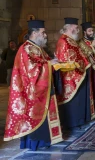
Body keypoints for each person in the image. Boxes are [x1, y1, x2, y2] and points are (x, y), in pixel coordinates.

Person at [4, 20, 63, 150]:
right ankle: (36, 143)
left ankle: (46, 140)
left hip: (44, 89)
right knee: (35, 117)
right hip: (31, 92)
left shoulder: (37, 48)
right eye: (43, 32)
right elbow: (31, 71)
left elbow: (44, 62)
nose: (45, 35)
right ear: (35, 33)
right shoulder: (26, 48)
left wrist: (53, 63)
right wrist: (49, 64)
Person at [55, 17, 95, 129]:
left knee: (79, 100)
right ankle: (73, 122)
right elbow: (66, 59)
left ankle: (80, 119)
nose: (78, 30)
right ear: (70, 28)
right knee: (74, 100)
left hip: (80, 73)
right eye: (76, 28)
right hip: (70, 77)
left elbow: (81, 54)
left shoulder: (71, 40)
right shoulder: (63, 41)